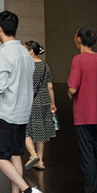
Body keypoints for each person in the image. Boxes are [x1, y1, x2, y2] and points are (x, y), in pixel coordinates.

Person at [0, 11, 42, 193]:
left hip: (5, 112)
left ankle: (28, 191)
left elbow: (1, 86)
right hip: (21, 112)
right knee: (15, 153)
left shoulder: (4, 52)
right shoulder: (25, 53)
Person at [66, 27, 97, 193]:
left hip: (84, 115)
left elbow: (73, 89)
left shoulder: (78, 60)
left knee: (87, 156)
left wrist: (69, 92)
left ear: (78, 39)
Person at [23, 41, 56, 171]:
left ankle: (33, 155)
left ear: (31, 51)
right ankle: (40, 162)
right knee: (40, 132)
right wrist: (52, 103)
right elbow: (50, 86)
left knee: (25, 130)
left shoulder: (27, 66)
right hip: (43, 101)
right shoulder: (45, 66)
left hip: (29, 101)